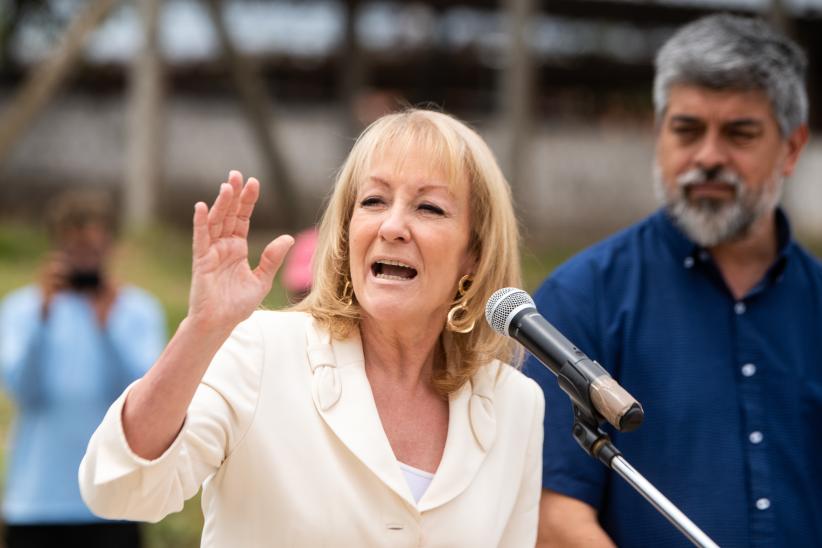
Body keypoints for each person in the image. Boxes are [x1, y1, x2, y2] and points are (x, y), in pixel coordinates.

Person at [79, 109, 545, 546]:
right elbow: (120, 488)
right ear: (345, 231)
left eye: (429, 208)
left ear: (475, 255)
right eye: (374, 201)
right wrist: (203, 327)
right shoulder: (261, 351)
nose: (393, 226)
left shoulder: (516, 405)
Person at [525, 14, 821, 548]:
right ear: (658, 134)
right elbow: (555, 518)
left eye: (739, 133)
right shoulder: (581, 298)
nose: (708, 156)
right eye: (687, 130)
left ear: (793, 148)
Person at [0, 190, 166, 547]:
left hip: (114, 501)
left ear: (110, 248)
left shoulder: (137, 311)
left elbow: (147, 400)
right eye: (74, 250)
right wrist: (42, 321)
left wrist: (110, 326)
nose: (85, 261)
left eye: (93, 250)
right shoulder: (22, 311)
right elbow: (23, 391)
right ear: (56, 247)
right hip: (36, 500)